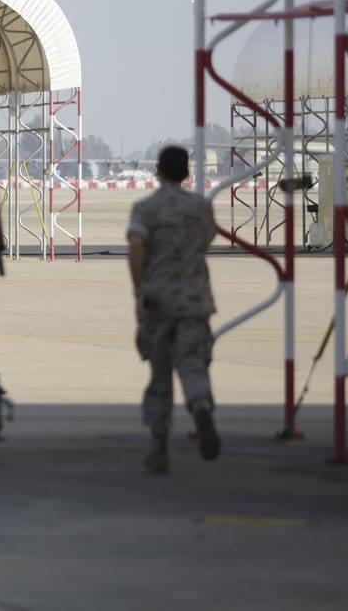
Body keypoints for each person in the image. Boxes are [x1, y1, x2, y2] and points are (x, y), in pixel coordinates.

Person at [126, 145, 221, 473]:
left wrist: (140, 291)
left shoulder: (146, 209)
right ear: (187, 173)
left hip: (159, 300)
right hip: (195, 299)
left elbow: (137, 247)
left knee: (161, 375)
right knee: (193, 364)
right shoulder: (202, 207)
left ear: (159, 171)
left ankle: (158, 445)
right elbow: (207, 241)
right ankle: (199, 405)